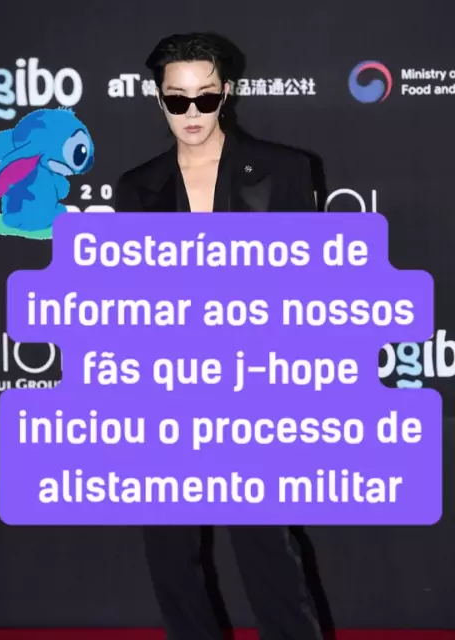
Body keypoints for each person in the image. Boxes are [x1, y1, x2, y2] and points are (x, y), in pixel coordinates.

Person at [115, 32, 322, 640]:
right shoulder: (138, 187)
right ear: (158, 99)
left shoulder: (285, 170)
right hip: (164, 394)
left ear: (226, 92)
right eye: (177, 99)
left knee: (268, 553)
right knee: (171, 557)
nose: (192, 113)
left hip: (252, 390)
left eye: (204, 97)